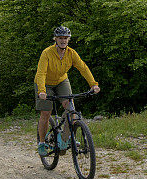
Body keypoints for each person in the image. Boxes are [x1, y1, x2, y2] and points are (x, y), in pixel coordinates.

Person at [35, 26, 100, 156]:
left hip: (61, 81)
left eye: (65, 38)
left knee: (71, 110)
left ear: (68, 40)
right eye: (60, 38)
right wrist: (42, 91)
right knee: (46, 113)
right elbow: (41, 73)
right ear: (56, 39)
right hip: (45, 83)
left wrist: (93, 84)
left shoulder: (71, 53)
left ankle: (66, 138)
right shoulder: (47, 53)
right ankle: (42, 143)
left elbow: (83, 68)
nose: (63, 41)